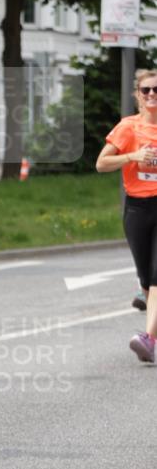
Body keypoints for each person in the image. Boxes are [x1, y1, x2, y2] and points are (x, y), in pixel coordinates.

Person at [96, 68, 157, 363]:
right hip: (136, 208)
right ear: (138, 95)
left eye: (156, 90)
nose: (151, 95)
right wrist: (132, 156)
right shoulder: (128, 127)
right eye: (146, 90)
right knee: (146, 277)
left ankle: (149, 339)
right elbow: (101, 163)